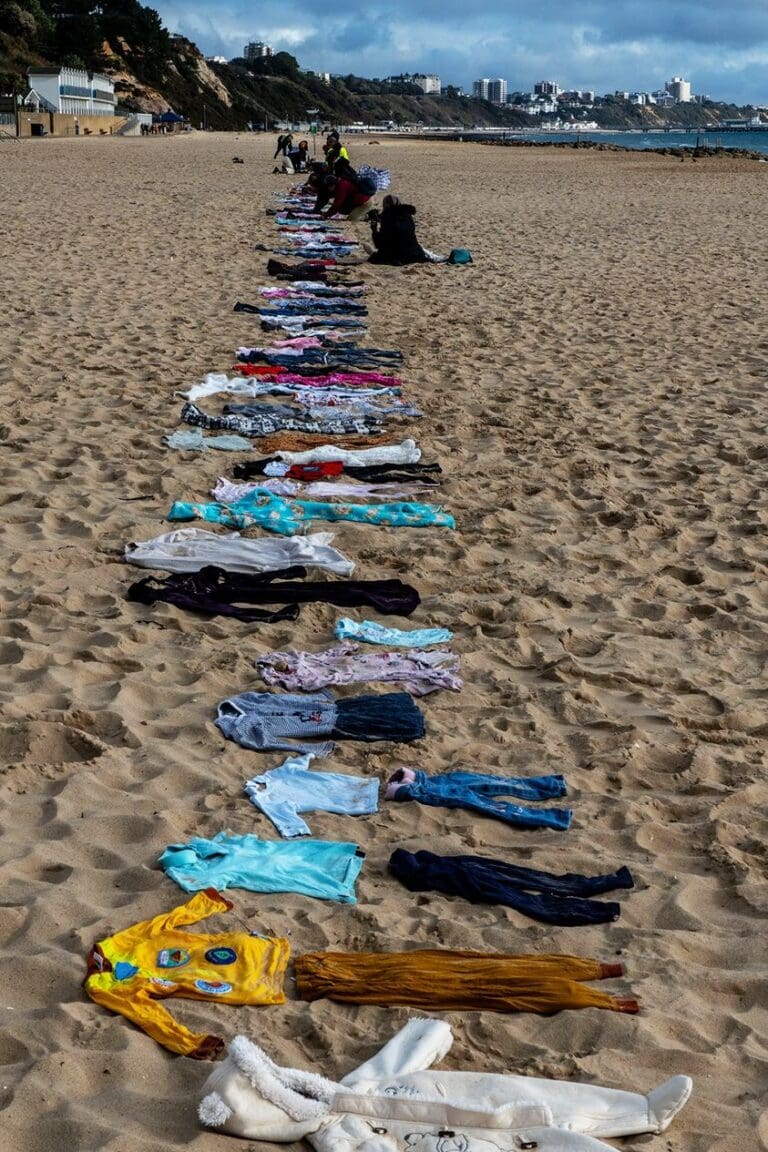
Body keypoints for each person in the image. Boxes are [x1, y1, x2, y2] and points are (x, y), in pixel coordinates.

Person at [366, 194, 428, 265]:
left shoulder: (387, 219)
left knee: (375, 257)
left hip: (399, 255)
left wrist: (374, 230)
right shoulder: (407, 215)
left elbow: (381, 243)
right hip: (415, 253)